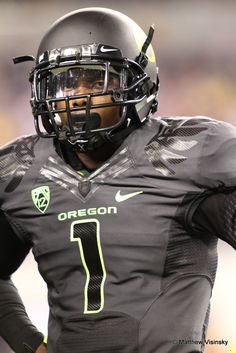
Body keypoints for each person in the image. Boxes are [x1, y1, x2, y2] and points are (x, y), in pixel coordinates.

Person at [0, 7, 235, 353]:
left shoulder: (186, 153)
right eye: (64, 82)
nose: (77, 97)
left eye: (95, 80)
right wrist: (29, 343)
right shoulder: (20, 169)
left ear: (139, 83)